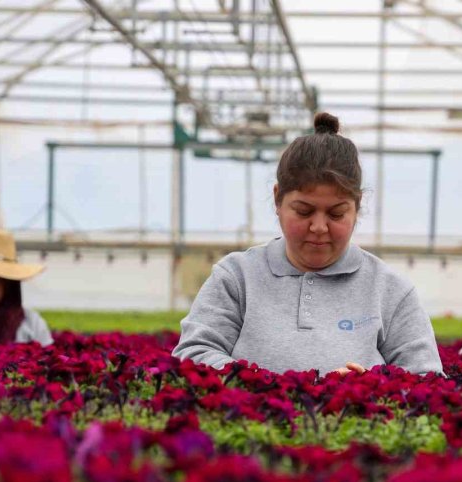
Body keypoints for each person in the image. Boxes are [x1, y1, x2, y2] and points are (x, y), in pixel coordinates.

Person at [173, 113, 442, 375]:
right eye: (303, 211)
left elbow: (426, 376)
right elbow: (194, 352)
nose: (319, 227)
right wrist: (264, 386)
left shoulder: (390, 291)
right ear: (278, 199)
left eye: (336, 214)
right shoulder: (237, 277)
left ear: (357, 206)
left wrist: (370, 384)